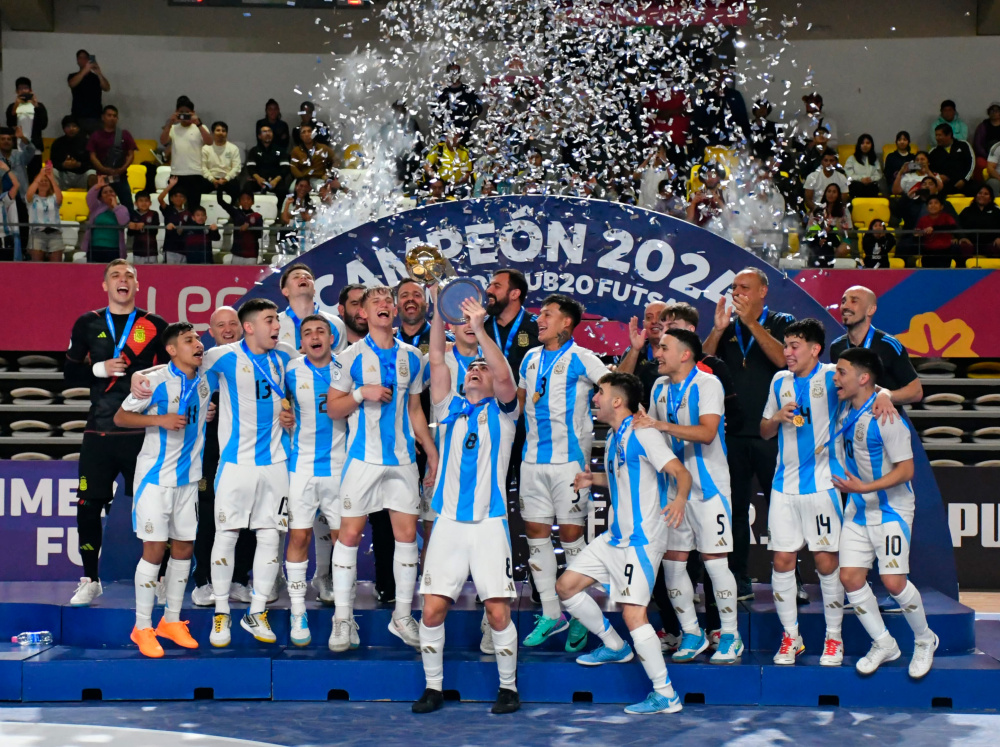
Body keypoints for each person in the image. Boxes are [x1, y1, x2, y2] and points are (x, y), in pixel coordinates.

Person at [132, 299, 297, 647]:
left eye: (276, 321)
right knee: (227, 535)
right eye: (270, 320)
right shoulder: (222, 356)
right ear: (250, 326)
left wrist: (292, 412)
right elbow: (171, 368)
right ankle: (221, 613)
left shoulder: (285, 355)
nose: (276, 327)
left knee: (270, 538)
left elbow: (313, 378)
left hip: (277, 464)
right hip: (235, 464)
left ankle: (257, 611)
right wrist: (137, 375)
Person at [760, 319, 896, 666]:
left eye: (794, 346)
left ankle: (832, 638)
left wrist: (885, 397)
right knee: (781, 560)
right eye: (786, 345)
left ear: (815, 349)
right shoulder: (779, 381)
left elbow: (867, 385)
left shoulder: (832, 374)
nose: (787, 352)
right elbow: (763, 432)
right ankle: (791, 637)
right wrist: (775, 418)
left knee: (825, 561)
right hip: (783, 486)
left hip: (823, 485)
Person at [556, 372, 691, 715]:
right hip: (614, 538)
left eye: (599, 393)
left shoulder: (644, 433)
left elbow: (681, 473)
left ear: (617, 400)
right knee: (567, 587)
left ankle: (666, 695)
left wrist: (678, 501)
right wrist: (593, 479)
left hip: (642, 541)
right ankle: (615, 646)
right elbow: (625, 476)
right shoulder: (618, 435)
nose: (594, 399)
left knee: (634, 613)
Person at [412, 293, 522, 715]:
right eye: (472, 369)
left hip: (489, 525)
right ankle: (434, 688)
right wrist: (440, 309)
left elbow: (506, 375)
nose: (476, 371)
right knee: (434, 609)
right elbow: (438, 355)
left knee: (497, 613)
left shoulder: (506, 413)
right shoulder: (450, 408)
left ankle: (508, 688)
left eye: (482, 369)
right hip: (449, 525)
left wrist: (479, 330)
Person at [326, 285, 439, 650]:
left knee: (408, 539)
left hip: (403, 460)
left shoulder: (412, 357)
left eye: (387, 302)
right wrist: (362, 394)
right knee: (349, 537)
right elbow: (333, 408)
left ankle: (402, 616)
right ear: (364, 313)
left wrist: (431, 451)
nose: (384, 306)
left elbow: (415, 409)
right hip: (362, 460)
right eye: (375, 302)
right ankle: (342, 619)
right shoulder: (349, 357)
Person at [65, 259, 167, 606]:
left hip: (143, 433)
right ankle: (90, 579)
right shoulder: (87, 323)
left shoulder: (154, 325)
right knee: (88, 505)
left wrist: (149, 380)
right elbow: (70, 374)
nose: (122, 281)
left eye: (129, 276)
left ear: (138, 285)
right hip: (100, 432)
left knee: (156, 507)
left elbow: (174, 370)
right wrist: (100, 367)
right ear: (105, 286)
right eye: (115, 276)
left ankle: (162, 578)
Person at [636, 328, 742, 664]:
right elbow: (650, 431)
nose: (657, 354)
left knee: (714, 563)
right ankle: (691, 632)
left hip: (709, 491)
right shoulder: (658, 387)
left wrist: (660, 426)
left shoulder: (708, 384)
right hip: (673, 491)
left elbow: (708, 433)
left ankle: (730, 635)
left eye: (664, 348)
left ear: (685, 354)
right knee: (673, 564)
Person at [831, 348, 938, 679]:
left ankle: (924, 640)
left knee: (893, 582)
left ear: (863, 378)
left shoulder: (887, 417)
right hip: (859, 509)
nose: (835, 378)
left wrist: (866, 487)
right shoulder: (843, 409)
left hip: (891, 509)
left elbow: (907, 471)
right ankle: (884, 643)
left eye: (842, 372)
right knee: (849, 577)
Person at [113, 322, 212, 658]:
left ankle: (171, 621)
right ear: (172, 349)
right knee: (155, 551)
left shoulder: (205, 375)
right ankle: (142, 627)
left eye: (198, 339)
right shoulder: (154, 382)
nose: (198, 345)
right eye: (189, 341)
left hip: (189, 480)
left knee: (184, 548)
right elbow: (121, 417)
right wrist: (160, 420)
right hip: (155, 480)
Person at [518, 294, 611, 651]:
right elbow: (522, 402)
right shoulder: (529, 357)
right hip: (531, 462)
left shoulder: (582, 358)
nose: (539, 319)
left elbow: (614, 389)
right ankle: (552, 613)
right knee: (536, 534)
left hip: (569, 463)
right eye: (540, 314)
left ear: (567, 323)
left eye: (547, 315)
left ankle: (579, 616)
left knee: (572, 537)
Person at [703, 268, 795, 600]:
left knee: (781, 508)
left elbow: (785, 362)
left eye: (745, 287)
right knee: (735, 509)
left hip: (773, 433)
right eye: (734, 287)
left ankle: (789, 579)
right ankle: (738, 577)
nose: (737, 291)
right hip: (733, 434)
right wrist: (717, 329)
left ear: (762, 292)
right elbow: (703, 364)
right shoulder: (726, 324)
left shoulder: (784, 322)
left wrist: (753, 326)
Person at [283, 314, 356, 648]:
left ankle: (345, 616)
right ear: (301, 341)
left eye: (320, 332)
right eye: (307, 332)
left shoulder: (349, 367)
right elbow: (274, 406)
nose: (314, 337)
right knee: (298, 537)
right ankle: (298, 611)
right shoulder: (290, 370)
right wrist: (284, 415)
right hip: (301, 469)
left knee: (345, 542)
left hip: (341, 469)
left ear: (332, 338)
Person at [189, 308, 257, 607]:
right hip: (208, 453)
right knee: (208, 517)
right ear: (211, 332)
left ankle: (240, 578)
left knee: (248, 516)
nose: (227, 329)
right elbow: (176, 388)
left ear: (243, 328)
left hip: (245, 450)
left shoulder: (253, 361)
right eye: (221, 325)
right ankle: (203, 580)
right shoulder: (201, 363)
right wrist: (200, 410)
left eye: (232, 324)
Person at [830, 286, 923, 404]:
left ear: (871, 309)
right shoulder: (837, 347)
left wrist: (887, 395)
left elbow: (916, 391)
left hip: (881, 420)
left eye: (854, 301)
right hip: (849, 420)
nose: (845, 306)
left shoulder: (888, 345)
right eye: (843, 301)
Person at [277, 263, 348, 353]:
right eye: (296, 277)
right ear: (285, 291)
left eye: (308, 277)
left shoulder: (335, 323)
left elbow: (341, 363)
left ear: (314, 290)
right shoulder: (275, 324)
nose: (303, 278)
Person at [161, 96, 212, 210]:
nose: (184, 115)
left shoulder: (200, 127)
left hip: (195, 174)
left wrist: (198, 124)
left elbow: (209, 142)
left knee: (194, 208)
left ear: (193, 113)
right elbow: (163, 141)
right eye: (181, 112)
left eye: (187, 112)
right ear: (176, 113)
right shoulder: (173, 128)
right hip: (176, 174)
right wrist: (169, 123)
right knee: (173, 210)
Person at [86, 105, 136, 212]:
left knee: (128, 208)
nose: (112, 118)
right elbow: (92, 156)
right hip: (101, 179)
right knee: (97, 209)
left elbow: (131, 154)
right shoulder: (96, 135)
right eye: (109, 115)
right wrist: (104, 169)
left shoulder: (124, 134)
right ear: (103, 117)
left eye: (115, 116)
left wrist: (122, 169)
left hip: (120, 177)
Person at [616, 301, 668, 402]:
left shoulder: (680, 350)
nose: (654, 321)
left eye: (660, 316)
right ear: (644, 325)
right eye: (649, 317)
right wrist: (635, 350)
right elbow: (617, 385)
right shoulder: (634, 351)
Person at [5, 77, 47, 180]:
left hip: (34, 148)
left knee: (35, 178)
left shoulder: (39, 106)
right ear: (16, 91)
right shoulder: (12, 107)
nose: (23, 90)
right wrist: (16, 105)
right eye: (20, 88)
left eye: (26, 88)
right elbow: (10, 124)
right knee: (17, 177)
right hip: (17, 148)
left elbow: (43, 124)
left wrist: (36, 105)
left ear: (30, 90)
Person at [81, 178, 129, 263]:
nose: (109, 194)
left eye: (111, 191)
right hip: (95, 248)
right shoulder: (96, 207)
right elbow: (89, 197)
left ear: (115, 194)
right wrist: (98, 186)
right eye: (105, 192)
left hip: (114, 249)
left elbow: (123, 222)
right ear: (101, 196)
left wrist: (115, 207)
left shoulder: (122, 209)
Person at [805, 183, 853, 267]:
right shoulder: (818, 209)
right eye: (829, 191)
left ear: (838, 195)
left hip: (839, 238)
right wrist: (821, 232)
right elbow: (810, 229)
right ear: (825, 193)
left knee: (843, 248)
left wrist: (834, 229)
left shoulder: (844, 210)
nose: (831, 194)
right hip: (819, 237)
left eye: (834, 192)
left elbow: (848, 231)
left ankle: (829, 263)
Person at [434, 63, 483, 144]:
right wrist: (442, 121)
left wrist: (469, 120)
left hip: (464, 133)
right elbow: (434, 109)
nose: (455, 74)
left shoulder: (467, 90)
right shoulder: (442, 91)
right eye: (452, 71)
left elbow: (479, 107)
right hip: (447, 132)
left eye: (457, 71)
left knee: (464, 154)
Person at [25, 163, 63, 262]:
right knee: (37, 266)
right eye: (41, 181)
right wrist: (40, 175)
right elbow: (29, 192)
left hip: (55, 233)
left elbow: (60, 199)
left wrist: (52, 179)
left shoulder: (53, 198)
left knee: (57, 267)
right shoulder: (32, 199)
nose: (43, 182)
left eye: (46, 181)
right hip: (37, 234)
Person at [246, 124, 291, 205]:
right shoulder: (254, 150)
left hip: (275, 181)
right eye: (264, 132)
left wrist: (276, 180)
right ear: (259, 136)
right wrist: (258, 178)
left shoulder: (280, 150)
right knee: (246, 189)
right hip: (258, 180)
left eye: (269, 131)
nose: (267, 134)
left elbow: (285, 168)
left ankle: (279, 214)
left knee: (283, 191)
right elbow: (250, 168)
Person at [67, 50, 111, 134]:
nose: (82, 60)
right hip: (78, 116)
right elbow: (72, 84)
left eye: (85, 58)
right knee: (79, 143)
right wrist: (85, 70)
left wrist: (99, 73)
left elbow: (107, 88)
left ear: (88, 60)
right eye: (80, 58)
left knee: (96, 143)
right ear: (77, 61)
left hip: (95, 117)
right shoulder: (73, 76)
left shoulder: (95, 78)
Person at [219, 189, 264, 265]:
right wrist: (219, 187)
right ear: (239, 202)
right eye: (243, 199)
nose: (246, 201)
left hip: (251, 255)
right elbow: (220, 201)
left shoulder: (258, 217)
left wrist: (249, 225)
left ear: (252, 202)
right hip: (237, 254)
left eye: (248, 199)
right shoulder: (235, 213)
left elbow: (259, 235)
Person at [928, 123, 975, 196]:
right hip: (944, 186)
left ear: (949, 135)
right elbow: (928, 169)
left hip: (965, 183)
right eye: (936, 135)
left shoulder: (964, 145)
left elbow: (971, 163)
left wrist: (964, 180)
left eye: (940, 135)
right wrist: (938, 177)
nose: (937, 138)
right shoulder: (933, 152)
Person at [51, 115, 96, 191]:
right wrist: (63, 165)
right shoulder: (57, 143)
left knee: (93, 174)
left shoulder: (87, 142)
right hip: (64, 174)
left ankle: (93, 200)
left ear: (78, 128)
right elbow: (53, 162)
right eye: (68, 126)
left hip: (81, 175)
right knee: (52, 172)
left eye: (74, 126)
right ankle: (53, 200)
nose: (71, 129)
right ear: (64, 128)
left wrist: (78, 164)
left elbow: (92, 163)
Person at [424, 130, 472, 196]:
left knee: (465, 189)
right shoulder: (439, 149)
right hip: (440, 184)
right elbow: (426, 165)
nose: (453, 138)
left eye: (456, 136)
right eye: (450, 136)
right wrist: (435, 177)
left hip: (457, 185)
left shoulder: (464, 152)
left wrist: (455, 182)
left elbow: (467, 173)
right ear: (446, 137)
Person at [289, 123, 337, 189]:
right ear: (300, 136)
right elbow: (293, 167)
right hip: (302, 178)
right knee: (292, 189)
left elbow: (337, 161)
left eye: (309, 131)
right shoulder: (296, 150)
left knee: (323, 190)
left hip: (318, 178)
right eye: (304, 132)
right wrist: (302, 178)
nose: (307, 134)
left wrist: (328, 174)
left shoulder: (323, 148)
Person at [958, 185, 1000, 260]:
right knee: (962, 247)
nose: (982, 195)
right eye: (980, 193)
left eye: (986, 194)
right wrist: (962, 237)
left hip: (990, 244)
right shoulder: (967, 211)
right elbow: (958, 225)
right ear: (975, 196)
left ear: (990, 198)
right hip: (970, 243)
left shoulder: (997, 212)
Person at [915, 195, 958, 268]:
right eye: (930, 203)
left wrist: (934, 228)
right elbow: (917, 234)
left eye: (936, 203)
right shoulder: (923, 219)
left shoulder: (947, 217)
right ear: (927, 207)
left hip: (944, 253)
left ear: (941, 207)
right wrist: (917, 235)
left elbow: (953, 227)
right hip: (927, 253)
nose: (933, 205)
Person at [201, 121, 242, 199]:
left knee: (235, 186)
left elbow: (237, 168)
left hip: (227, 179)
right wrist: (212, 180)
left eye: (223, 131)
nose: (221, 133)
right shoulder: (206, 148)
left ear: (226, 133)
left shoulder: (233, 148)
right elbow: (203, 167)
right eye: (218, 130)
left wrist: (226, 179)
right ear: (212, 133)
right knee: (198, 185)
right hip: (210, 179)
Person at [803, 149, 850, 214]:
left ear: (836, 162)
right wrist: (819, 210)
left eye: (831, 161)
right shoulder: (812, 177)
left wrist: (831, 211)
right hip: (816, 210)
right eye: (826, 160)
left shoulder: (842, 178)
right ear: (822, 162)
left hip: (836, 211)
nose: (828, 163)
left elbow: (843, 200)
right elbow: (808, 200)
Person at [686, 162, 728, 234]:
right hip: (699, 234)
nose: (710, 179)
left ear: (719, 177)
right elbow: (688, 221)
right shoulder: (694, 195)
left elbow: (731, 221)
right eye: (706, 176)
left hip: (721, 236)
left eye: (713, 176)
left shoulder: (726, 194)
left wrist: (719, 202)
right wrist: (693, 203)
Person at [158, 177, 190, 265]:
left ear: (185, 200)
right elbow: (160, 199)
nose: (178, 198)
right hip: (170, 248)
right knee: (170, 274)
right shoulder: (168, 210)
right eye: (176, 196)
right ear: (171, 199)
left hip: (184, 249)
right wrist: (170, 185)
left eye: (181, 196)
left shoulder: (188, 213)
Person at [844, 134, 883, 199]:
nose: (865, 145)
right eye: (862, 143)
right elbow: (849, 175)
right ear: (859, 145)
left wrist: (871, 179)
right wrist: (861, 179)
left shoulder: (875, 159)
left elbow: (878, 174)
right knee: (857, 186)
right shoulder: (852, 158)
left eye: (868, 143)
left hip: (871, 184)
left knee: (873, 187)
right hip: (856, 184)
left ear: (871, 145)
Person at [0, 161, 21, 260]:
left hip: (3, 238)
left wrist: (6, 169)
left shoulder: (4, 198)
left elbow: (16, 185)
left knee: (5, 271)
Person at [973, 103, 1000, 174]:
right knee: (980, 164)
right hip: (985, 155)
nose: (994, 113)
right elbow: (977, 145)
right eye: (992, 111)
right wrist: (988, 156)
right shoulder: (982, 126)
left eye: (996, 111)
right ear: (988, 113)